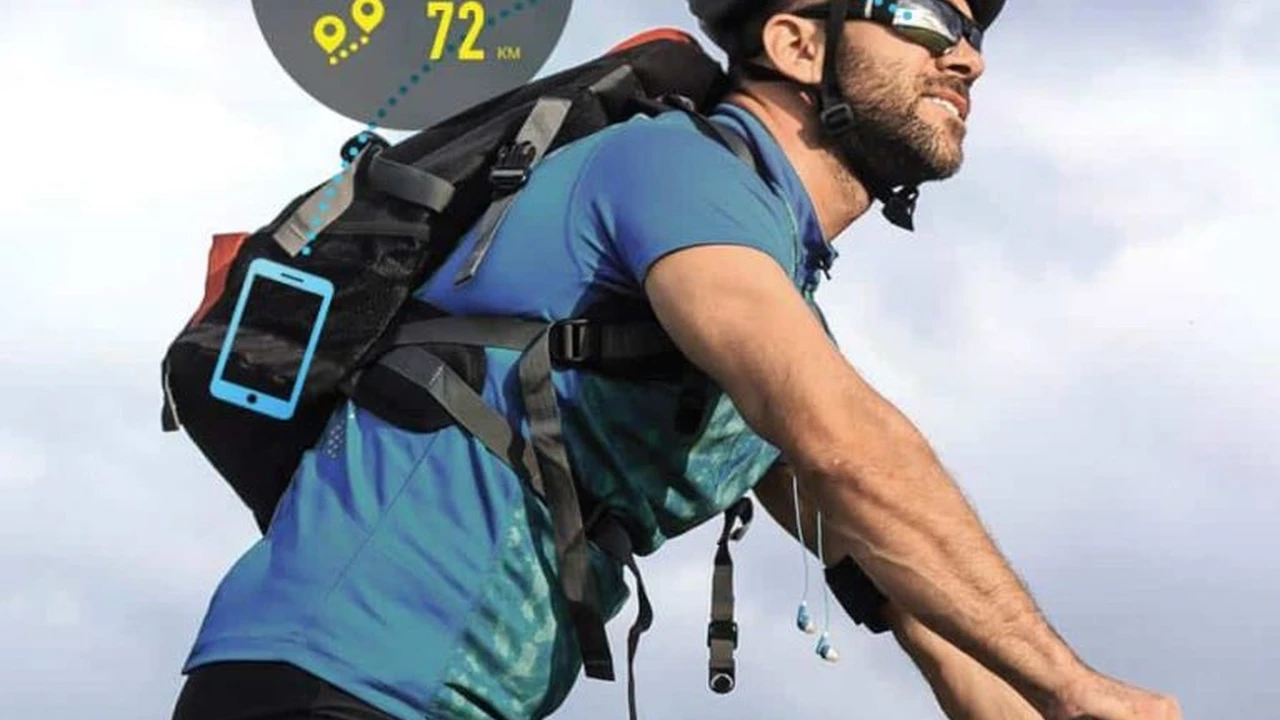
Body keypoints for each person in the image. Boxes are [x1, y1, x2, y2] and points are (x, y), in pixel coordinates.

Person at [171, 1, 1184, 719]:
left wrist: (1045, 703)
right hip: (325, 683)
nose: (968, 59)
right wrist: (1072, 685)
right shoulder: (674, 167)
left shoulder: (764, 309)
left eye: (975, 34)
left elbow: (916, 597)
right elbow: (848, 447)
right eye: (926, 18)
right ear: (795, 43)